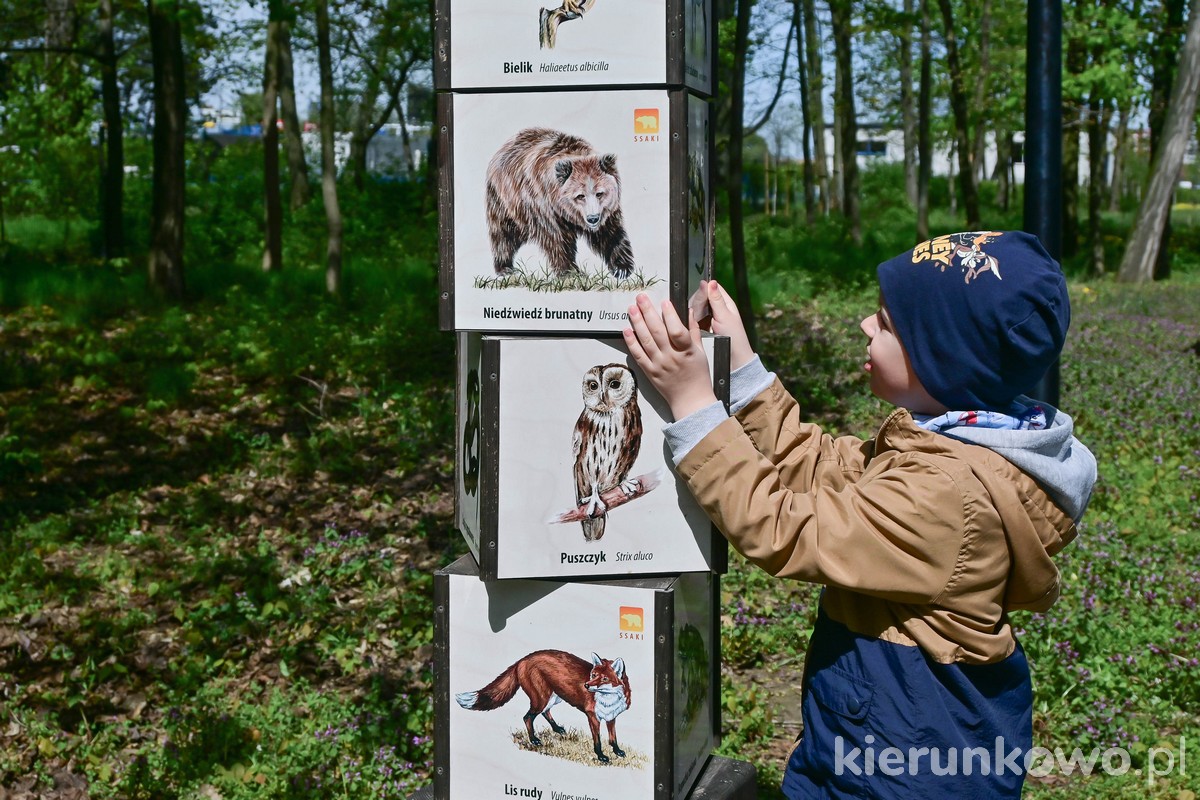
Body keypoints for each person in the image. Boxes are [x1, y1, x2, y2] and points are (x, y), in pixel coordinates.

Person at [622, 231, 1097, 798]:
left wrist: (694, 404)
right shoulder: (952, 447)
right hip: (873, 741)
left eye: (887, 323)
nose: (866, 327)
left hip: (902, 769)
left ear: (942, 360)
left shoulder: (948, 494)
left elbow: (785, 530)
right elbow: (821, 467)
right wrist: (746, 375)